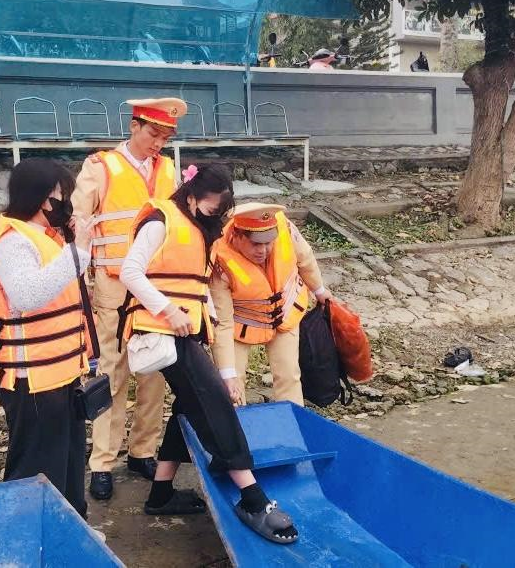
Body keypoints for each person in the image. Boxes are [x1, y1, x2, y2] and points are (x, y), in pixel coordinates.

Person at [118, 165, 299, 544]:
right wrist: (167, 310)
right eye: (211, 209)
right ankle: (252, 496)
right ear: (191, 197)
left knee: (189, 403)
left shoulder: (201, 231)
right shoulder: (161, 221)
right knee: (213, 400)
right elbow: (130, 272)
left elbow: (200, 290)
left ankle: (161, 493)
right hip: (162, 332)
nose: (216, 217)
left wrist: (218, 346)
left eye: (221, 211)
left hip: (186, 332)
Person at [72, 97, 184, 500]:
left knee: (153, 371)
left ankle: (143, 451)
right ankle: (103, 461)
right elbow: (78, 221)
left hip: (157, 289)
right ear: (134, 125)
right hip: (114, 287)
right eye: (154, 133)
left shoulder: (169, 169)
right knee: (112, 374)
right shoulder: (100, 167)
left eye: (167, 136)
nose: (159, 142)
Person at [0, 158, 95, 518]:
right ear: (45, 198)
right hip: (32, 377)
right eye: (63, 195)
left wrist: (73, 243)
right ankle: (30, 540)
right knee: (38, 468)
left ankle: (71, 530)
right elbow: (27, 295)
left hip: (61, 371)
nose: (67, 202)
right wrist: (79, 250)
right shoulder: (13, 242)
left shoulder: (47, 236)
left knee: (70, 460)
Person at [210, 203, 330, 406]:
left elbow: (305, 259)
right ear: (238, 236)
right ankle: (236, 431)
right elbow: (222, 323)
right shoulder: (220, 260)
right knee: (231, 384)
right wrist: (227, 373)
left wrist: (319, 290)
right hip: (241, 324)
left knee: (289, 374)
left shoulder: (286, 230)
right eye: (256, 244)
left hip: (285, 312)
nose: (263, 250)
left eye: (268, 243)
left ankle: (292, 426)